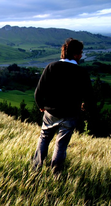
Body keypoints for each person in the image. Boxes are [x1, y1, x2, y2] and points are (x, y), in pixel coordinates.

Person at [32, 38, 95, 174]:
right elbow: (89, 96)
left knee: (44, 138)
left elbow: (38, 91)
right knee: (61, 145)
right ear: (75, 54)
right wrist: (85, 107)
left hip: (50, 113)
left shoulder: (51, 67)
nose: (81, 55)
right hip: (70, 114)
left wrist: (41, 105)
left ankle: (36, 168)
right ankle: (56, 174)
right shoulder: (81, 72)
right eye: (80, 53)